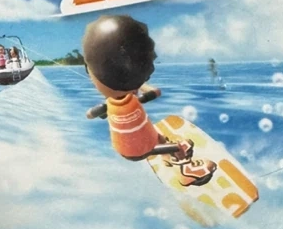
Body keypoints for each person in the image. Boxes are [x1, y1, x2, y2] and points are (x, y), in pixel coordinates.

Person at [82, 14, 216, 187]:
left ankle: (169, 159)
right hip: (140, 149)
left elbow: (90, 114)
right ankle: (187, 173)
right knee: (182, 146)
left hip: (135, 142)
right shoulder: (128, 101)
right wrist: (142, 86)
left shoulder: (115, 103)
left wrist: (101, 110)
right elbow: (153, 92)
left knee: (160, 138)